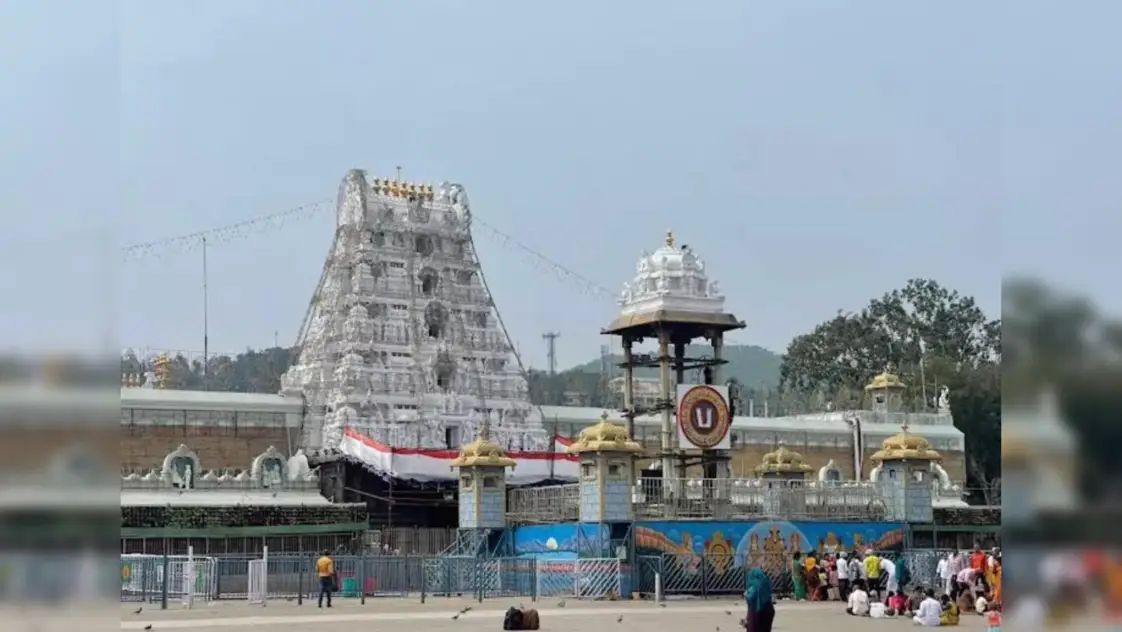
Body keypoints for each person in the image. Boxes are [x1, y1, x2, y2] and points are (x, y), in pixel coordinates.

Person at [744, 567, 775, 632]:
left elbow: (751, 597)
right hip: (769, 610)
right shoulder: (766, 582)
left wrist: (746, 595)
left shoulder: (754, 586)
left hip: (757, 611)